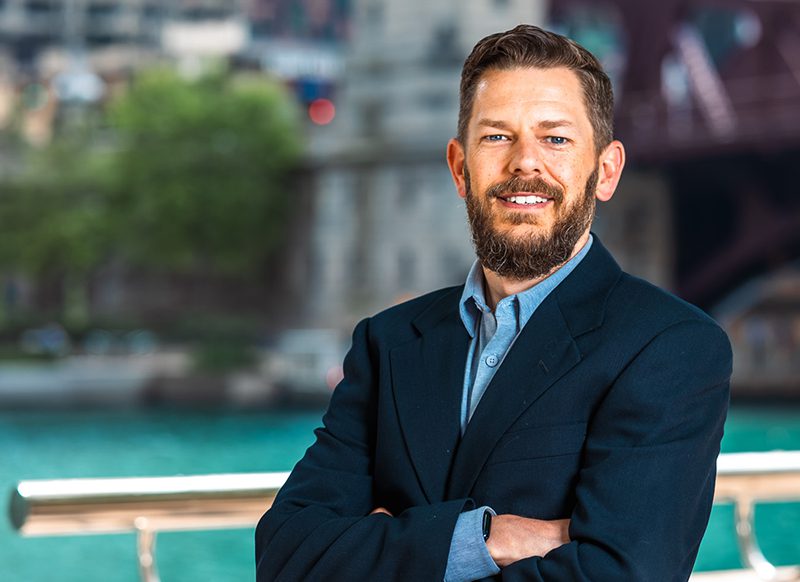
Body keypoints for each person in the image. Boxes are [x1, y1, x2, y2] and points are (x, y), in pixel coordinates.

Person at [256, 24, 731, 581]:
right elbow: (287, 555)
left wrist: (382, 546)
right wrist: (490, 537)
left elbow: (621, 573)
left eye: (555, 139)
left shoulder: (672, 348)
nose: (524, 163)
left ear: (605, 172)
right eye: (497, 137)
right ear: (460, 168)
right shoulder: (386, 343)